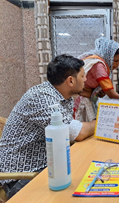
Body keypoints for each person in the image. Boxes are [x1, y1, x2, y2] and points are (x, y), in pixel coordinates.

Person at [0, 54, 96, 199]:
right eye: (83, 76)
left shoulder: (64, 97)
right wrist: (101, 121)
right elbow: (78, 132)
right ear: (71, 80)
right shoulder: (41, 97)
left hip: (47, 166)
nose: (86, 80)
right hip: (21, 177)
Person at [74, 37, 119, 122]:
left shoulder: (97, 62)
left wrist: (97, 93)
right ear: (108, 56)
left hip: (84, 99)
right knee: (84, 129)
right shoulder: (99, 66)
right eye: (116, 61)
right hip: (81, 103)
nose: (118, 64)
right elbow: (112, 95)